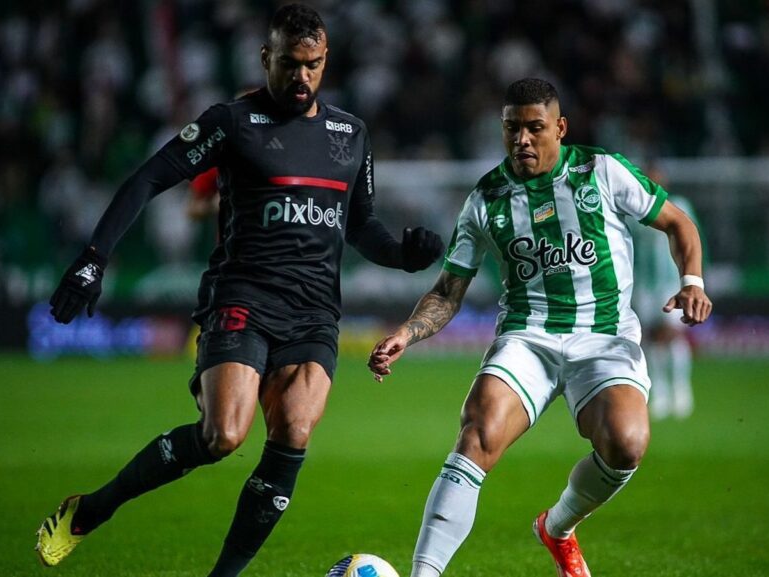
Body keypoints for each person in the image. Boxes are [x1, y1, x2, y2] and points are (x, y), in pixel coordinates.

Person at [35, 5, 444, 576]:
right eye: (290, 63)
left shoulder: (350, 134)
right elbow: (149, 177)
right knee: (223, 435)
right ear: (266, 58)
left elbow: (360, 226)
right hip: (242, 299)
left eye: (313, 65)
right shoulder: (232, 122)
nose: (302, 76)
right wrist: (93, 258)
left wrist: (403, 255)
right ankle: (93, 509)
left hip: (314, 314)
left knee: (294, 431)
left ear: (326, 61)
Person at [368, 78, 711, 577]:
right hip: (527, 337)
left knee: (627, 444)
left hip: (604, 335)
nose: (522, 139)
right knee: (477, 434)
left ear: (560, 128)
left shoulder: (602, 170)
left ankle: (557, 527)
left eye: (534, 127)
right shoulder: (486, 198)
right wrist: (408, 332)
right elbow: (447, 291)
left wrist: (692, 282)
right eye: (512, 128)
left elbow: (679, 222)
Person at [631, 175, 700, 420]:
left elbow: (693, 239)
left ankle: (681, 389)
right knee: (651, 337)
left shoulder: (679, 205)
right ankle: (659, 390)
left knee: (673, 334)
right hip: (644, 284)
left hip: (672, 282)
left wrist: (694, 279)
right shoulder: (634, 210)